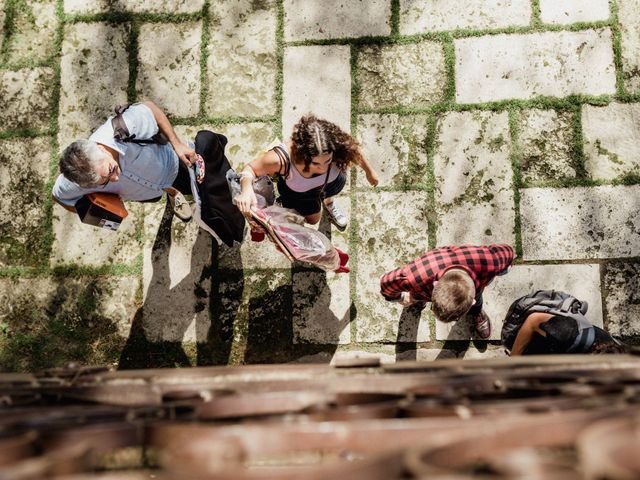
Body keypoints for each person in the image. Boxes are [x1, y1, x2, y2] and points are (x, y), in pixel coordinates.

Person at [52, 101, 196, 222]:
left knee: (195, 187)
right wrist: (96, 211)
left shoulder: (123, 127)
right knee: (157, 197)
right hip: (145, 193)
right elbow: (59, 196)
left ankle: (175, 191)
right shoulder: (75, 181)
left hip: (171, 167)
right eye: (104, 182)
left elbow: (150, 108)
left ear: (101, 149)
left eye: (110, 170)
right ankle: (172, 194)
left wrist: (177, 144)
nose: (115, 179)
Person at [234, 115, 379, 232]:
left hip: (331, 183)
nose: (323, 168)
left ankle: (329, 204)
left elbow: (354, 151)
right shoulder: (281, 159)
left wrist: (369, 171)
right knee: (313, 220)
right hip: (301, 196)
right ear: (301, 153)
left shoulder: (336, 144)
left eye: (328, 161)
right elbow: (250, 169)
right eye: (315, 164)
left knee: (328, 195)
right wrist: (246, 190)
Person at [380, 244, 515, 339]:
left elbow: (509, 252)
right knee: (418, 294)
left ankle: (476, 311)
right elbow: (386, 283)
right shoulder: (414, 276)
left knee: (479, 301)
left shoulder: (490, 261)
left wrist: (504, 269)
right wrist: (400, 297)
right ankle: (419, 300)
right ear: (435, 284)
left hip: (474, 286)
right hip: (427, 277)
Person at [503, 292, 628, 356]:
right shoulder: (570, 335)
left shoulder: (622, 353)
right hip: (543, 338)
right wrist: (514, 359)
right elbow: (533, 320)